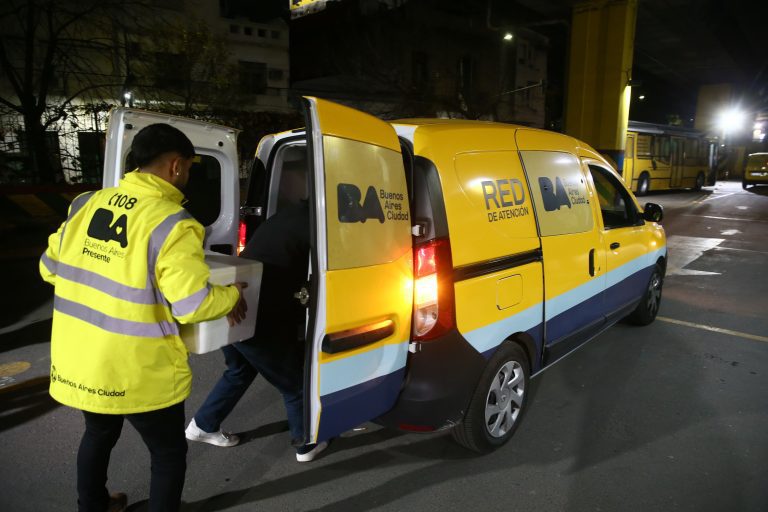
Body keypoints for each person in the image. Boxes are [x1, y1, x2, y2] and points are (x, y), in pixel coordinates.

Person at [39, 123, 248, 512]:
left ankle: (94, 506)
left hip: (81, 360)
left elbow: (49, 268)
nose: (187, 176)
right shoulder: (173, 222)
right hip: (138, 368)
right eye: (188, 167)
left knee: (98, 434)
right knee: (167, 453)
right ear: (174, 166)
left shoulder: (85, 204)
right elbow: (193, 304)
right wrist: (231, 294)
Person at [185, 158, 329, 463]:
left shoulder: (289, 216)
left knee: (238, 370)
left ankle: (202, 425)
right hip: (255, 314)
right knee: (295, 383)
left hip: (234, 308)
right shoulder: (317, 227)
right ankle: (306, 444)